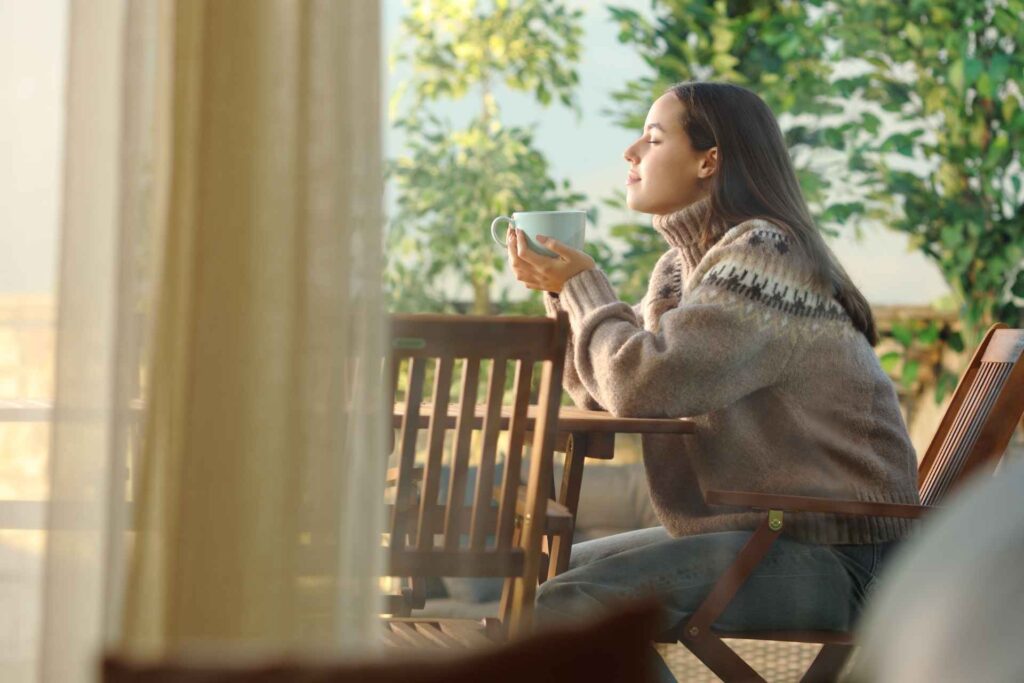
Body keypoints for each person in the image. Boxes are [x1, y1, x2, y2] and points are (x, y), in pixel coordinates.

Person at [504, 81, 919, 682]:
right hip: (772, 533)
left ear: (710, 160)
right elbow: (602, 391)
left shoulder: (766, 255)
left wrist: (584, 285)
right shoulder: (681, 269)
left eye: (651, 138)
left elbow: (644, 384)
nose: (629, 154)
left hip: (841, 552)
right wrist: (560, 293)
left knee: (570, 606)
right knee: (533, 588)